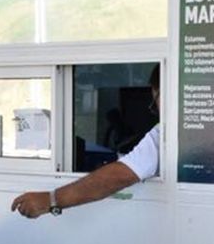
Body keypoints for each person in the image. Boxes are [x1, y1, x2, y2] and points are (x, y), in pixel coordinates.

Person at [11, 65, 161, 218]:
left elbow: (122, 174)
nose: (157, 109)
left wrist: (51, 200)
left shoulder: (163, 134)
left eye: (155, 101)